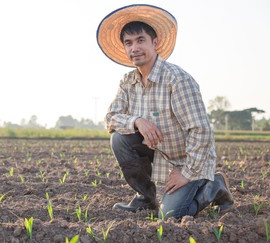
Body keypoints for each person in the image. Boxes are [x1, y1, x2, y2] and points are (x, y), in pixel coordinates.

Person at [96, 4, 234, 220]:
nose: (135, 48)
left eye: (141, 40)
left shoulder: (177, 80)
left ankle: (214, 186)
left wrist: (186, 173)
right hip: (159, 153)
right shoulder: (128, 82)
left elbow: (201, 131)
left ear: (155, 43)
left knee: (171, 216)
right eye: (128, 43)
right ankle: (146, 198)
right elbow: (110, 118)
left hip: (189, 160)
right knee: (119, 139)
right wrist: (137, 121)